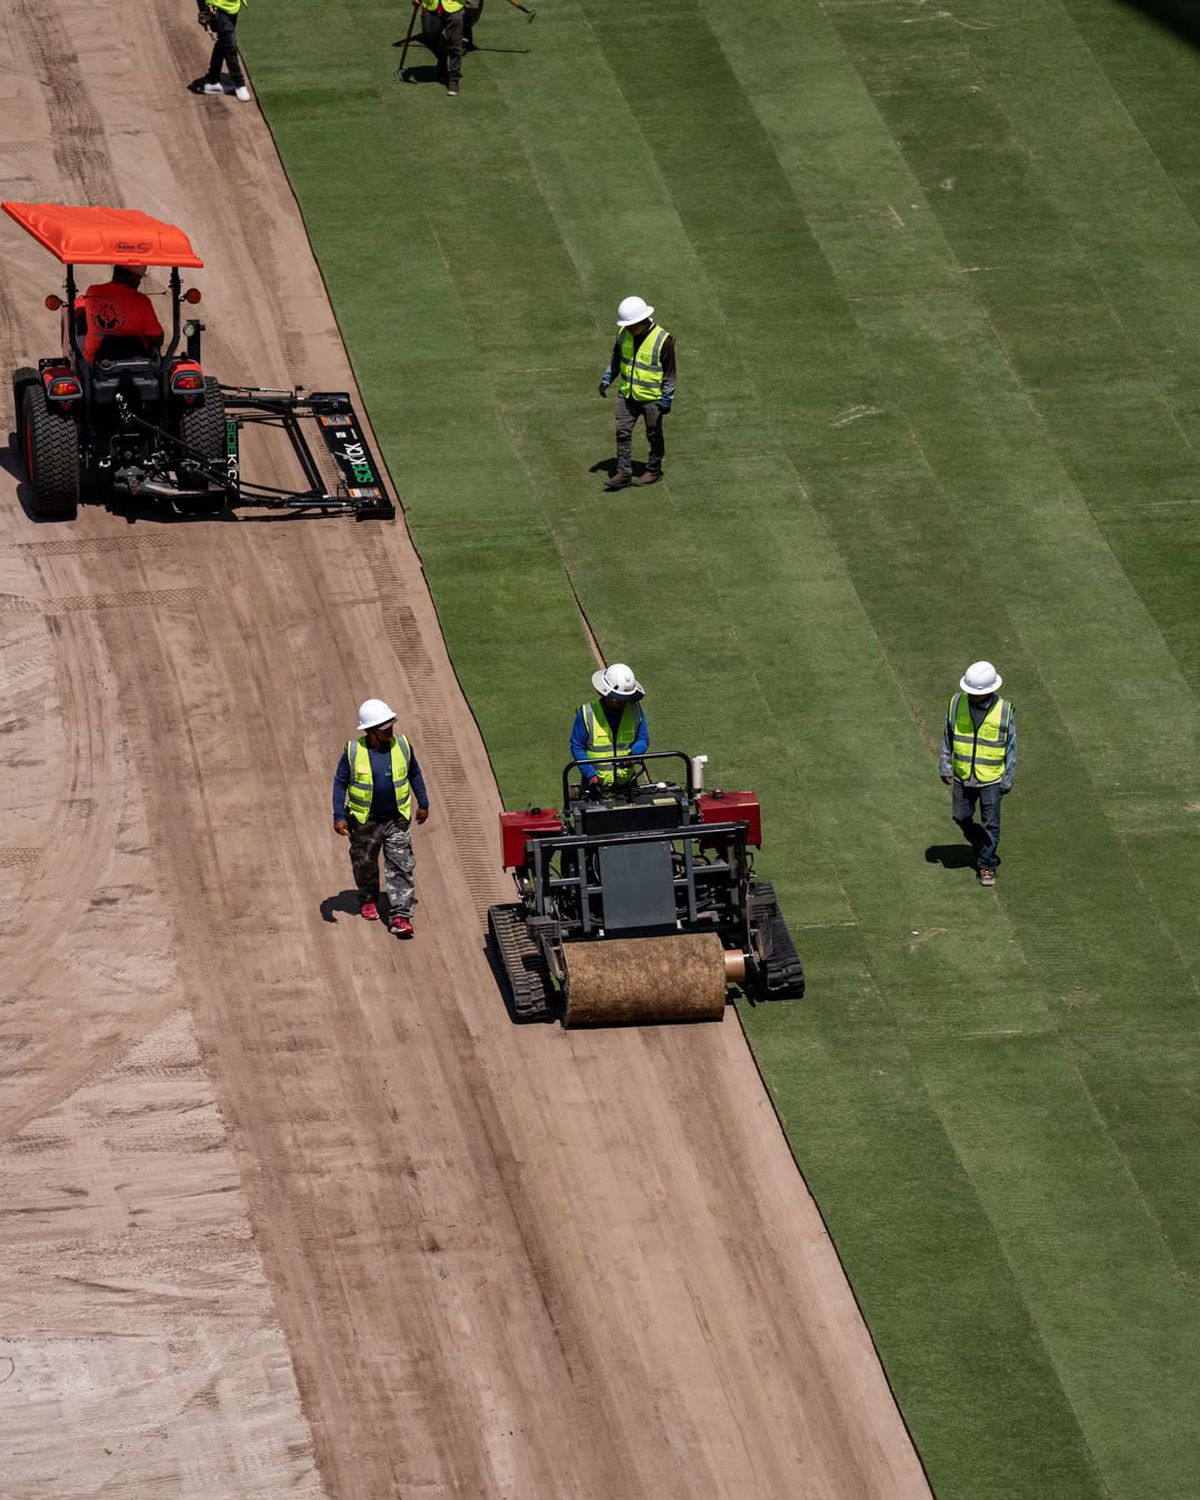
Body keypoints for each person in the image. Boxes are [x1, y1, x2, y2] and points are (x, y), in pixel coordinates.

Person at [333, 698, 431, 936]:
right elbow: (340, 783)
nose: (390, 732)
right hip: (364, 821)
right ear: (369, 731)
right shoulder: (353, 751)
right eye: (385, 729)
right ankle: (367, 899)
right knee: (364, 863)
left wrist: (423, 802)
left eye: (391, 727)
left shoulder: (403, 745)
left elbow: (414, 773)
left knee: (400, 865)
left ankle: (401, 916)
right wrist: (338, 815)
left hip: (396, 820)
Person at [939, 661, 1017, 887]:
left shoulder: (1004, 711)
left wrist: (1008, 778)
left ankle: (986, 865)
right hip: (963, 775)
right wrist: (945, 765)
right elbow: (948, 734)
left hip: (991, 778)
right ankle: (982, 845)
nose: (971, 696)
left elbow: (1011, 746)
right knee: (960, 816)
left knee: (991, 823)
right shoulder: (956, 703)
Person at [598, 295, 675, 491]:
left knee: (653, 434)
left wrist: (667, 399)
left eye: (632, 324)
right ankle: (623, 472)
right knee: (622, 432)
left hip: (652, 399)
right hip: (627, 395)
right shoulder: (624, 333)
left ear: (642, 320)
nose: (629, 327)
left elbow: (670, 373)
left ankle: (654, 470)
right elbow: (616, 359)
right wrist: (607, 379)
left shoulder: (663, 340)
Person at [570, 664, 649, 793]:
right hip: (595, 785)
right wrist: (591, 776)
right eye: (619, 700)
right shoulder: (587, 713)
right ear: (606, 694)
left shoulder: (635, 710)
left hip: (628, 782)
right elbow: (577, 746)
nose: (623, 703)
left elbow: (643, 739)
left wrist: (632, 756)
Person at [79, 266, 164, 365]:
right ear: (131, 278)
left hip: (95, 362)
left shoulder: (92, 291)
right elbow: (157, 339)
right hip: (137, 361)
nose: (139, 283)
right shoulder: (141, 301)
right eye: (138, 279)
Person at [189, 0, 252, 102]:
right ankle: (239, 84)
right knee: (230, 46)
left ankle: (212, 81)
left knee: (224, 42)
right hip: (216, 8)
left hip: (232, 7)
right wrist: (203, 10)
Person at [415, 0, 467, 96]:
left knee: (455, 45)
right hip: (430, 6)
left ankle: (453, 79)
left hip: (454, 7)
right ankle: (442, 56)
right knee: (428, 37)